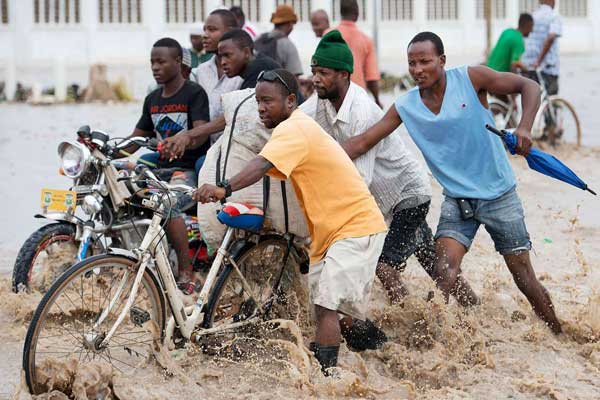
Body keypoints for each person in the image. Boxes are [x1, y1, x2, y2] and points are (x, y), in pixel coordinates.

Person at [342, 32, 562, 334]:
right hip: (458, 202)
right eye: (412, 63)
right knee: (444, 271)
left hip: (499, 195)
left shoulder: (472, 79)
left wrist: (524, 126)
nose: (418, 69)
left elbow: (530, 86)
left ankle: (558, 333)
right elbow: (364, 141)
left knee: (523, 276)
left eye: (425, 61)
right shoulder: (406, 106)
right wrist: (316, 152)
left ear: (442, 61)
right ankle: (433, 342)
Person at [193, 69, 388, 373]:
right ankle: (388, 352)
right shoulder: (294, 128)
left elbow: (261, 163)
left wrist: (224, 188)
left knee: (325, 307)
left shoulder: (293, 129)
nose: (260, 108)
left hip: (355, 228)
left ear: (291, 101)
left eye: (268, 101)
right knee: (341, 315)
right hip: (331, 234)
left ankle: (327, 381)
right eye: (257, 101)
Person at [301, 31, 478, 307]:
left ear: (344, 75)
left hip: (408, 195)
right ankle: (472, 306)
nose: (315, 79)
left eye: (322, 72)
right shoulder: (321, 99)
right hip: (390, 199)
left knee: (384, 265)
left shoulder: (360, 112)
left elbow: (359, 180)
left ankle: (412, 323)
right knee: (433, 263)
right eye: (314, 72)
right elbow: (296, 124)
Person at [120, 38, 210, 296]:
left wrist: (185, 140)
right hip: (159, 170)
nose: (155, 67)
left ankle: (185, 272)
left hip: (187, 170)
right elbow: (134, 140)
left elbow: (202, 133)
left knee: (167, 204)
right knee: (123, 188)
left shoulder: (193, 93)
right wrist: (106, 150)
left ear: (178, 62)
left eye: (161, 62)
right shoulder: (152, 99)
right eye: (152, 62)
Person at [161, 29, 281, 160]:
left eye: (227, 55)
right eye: (220, 56)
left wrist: (188, 135)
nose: (223, 62)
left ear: (246, 52)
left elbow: (234, 115)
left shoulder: (260, 70)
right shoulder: (251, 70)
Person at [193, 9, 243, 145]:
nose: (205, 35)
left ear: (230, 32)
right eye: (204, 30)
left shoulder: (244, 70)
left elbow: (236, 116)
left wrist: (189, 135)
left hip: (236, 148)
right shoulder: (201, 71)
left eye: (212, 30)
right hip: (209, 149)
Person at [335, 0, 381, 107]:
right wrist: (377, 100)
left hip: (334, 98)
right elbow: (372, 77)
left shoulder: (329, 35)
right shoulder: (366, 40)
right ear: (357, 14)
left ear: (340, 13)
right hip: (358, 100)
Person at [522, 0, 562, 95]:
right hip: (547, 68)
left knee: (531, 100)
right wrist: (539, 61)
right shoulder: (554, 16)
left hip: (528, 67)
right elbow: (551, 37)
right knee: (550, 102)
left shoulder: (533, 16)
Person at [254, 5, 303, 76]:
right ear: (290, 24)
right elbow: (294, 76)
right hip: (276, 85)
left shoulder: (259, 38)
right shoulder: (288, 45)